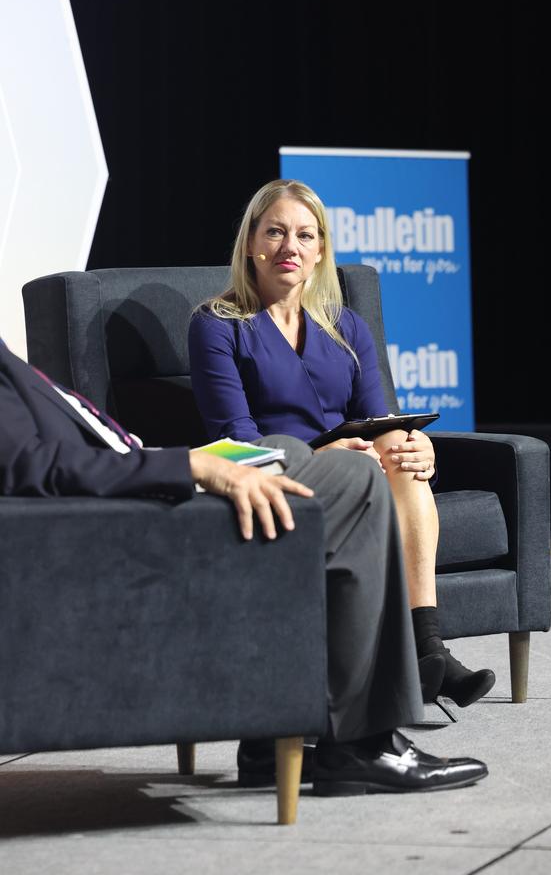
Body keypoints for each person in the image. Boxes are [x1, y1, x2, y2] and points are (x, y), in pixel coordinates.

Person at [0, 335, 487, 795]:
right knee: (354, 480)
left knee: (286, 450)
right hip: (126, 528)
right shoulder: (220, 325)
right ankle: (367, 742)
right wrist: (187, 465)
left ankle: (272, 736)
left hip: (135, 496)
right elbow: (29, 468)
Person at [189, 179, 496, 709]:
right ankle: (416, 660)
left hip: (358, 468)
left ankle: (429, 647)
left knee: (400, 441)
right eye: (276, 232)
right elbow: (233, 439)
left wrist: (415, 447)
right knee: (353, 455)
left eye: (305, 236)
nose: (291, 247)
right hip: (275, 470)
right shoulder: (217, 325)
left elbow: (373, 421)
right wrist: (319, 459)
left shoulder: (345, 325)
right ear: (250, 243)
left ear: (321, 250)